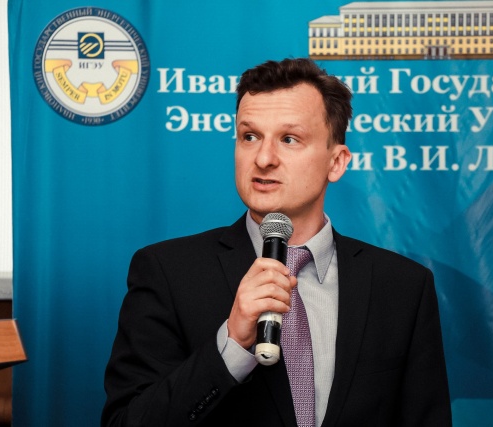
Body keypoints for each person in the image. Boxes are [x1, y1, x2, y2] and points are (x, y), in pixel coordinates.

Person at [102, 58, 452, 426]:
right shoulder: (168, 272)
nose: (264, 158)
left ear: (336, 162)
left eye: (289, 139)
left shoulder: (403, 287)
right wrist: (231, 345)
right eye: (249, 136)